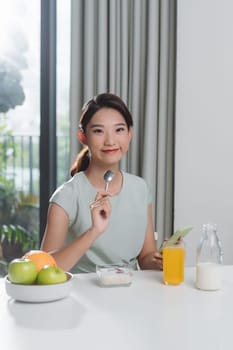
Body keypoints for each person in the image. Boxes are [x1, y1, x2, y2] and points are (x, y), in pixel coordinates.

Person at [41, 92, 163, 273]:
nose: (110, 141)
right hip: (80, 297)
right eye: (98, 131)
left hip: (132, 295)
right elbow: (45, 269)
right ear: (83, 137)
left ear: (129, 134)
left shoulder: (140, 188)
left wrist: (162, 260)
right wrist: (94, 231)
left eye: (119, 130)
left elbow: (145, 259)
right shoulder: (66, 197)